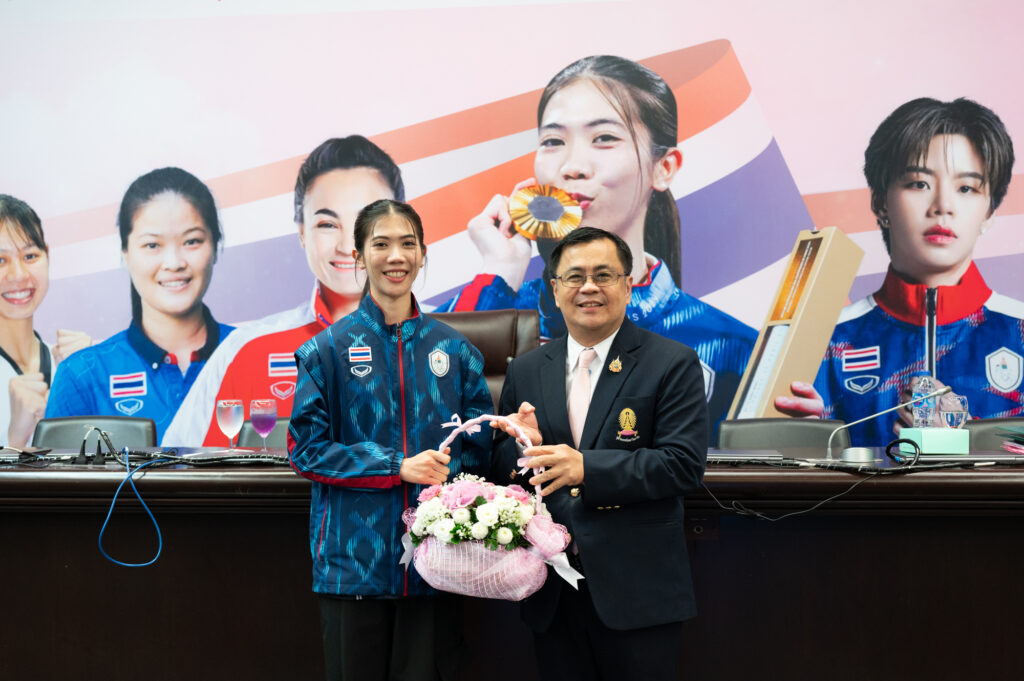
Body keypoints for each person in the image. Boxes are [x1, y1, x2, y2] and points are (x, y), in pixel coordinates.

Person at [440, 55, 754, 443]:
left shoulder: (733, 348)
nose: (572, 166)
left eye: (604, 138)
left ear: (664, 167)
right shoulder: (493, 306)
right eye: (553, 141)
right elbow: (433, 419)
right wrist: (499, 273)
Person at [288, 199, 493, 681]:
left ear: (423, 254)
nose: (395, 256)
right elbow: (306, 449)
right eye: (380, 244)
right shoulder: (326, 351)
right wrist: (394, 466)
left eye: (407, 243)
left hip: (437, 564)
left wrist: (516, 428)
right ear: (360, 256)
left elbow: (480, 446)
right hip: (353, 566)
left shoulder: (454, 350)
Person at [492, 226, 707, 681]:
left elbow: (682, 464)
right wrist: (520, 447)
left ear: (628, 285)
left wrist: (586, 467)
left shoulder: (672, 361)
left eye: (603, 275)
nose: (588, 287)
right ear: (554, 290)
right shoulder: (528, 369)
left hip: (637, 592)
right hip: (551, 591)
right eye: (574, 277)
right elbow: (502, 473)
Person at [774, 98, 1021, 446]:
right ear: (880, 203)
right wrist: (809, 441)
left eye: (966, 188)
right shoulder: (824, 343)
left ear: (990, 212)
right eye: (919, 184)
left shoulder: (1019, 332)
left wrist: (965, 439)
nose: (943, 207)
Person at [161, 136, 403, 446]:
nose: (347, 246)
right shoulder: (247, 349)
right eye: (327, 224)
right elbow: (177, 469)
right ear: (302, 233)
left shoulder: (439, 338)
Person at [46, 167, 233, 441]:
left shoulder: (251, 355)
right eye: (152, 245)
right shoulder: (82, 376)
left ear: (216, 245)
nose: (174, 262)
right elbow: (54, 485)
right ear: (125, 253)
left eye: (192, 241)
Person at [0, 195, 90, 447]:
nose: (18, 274)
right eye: (0, 260)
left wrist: (89, 382)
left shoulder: (68, 360)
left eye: (30, 256)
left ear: (47, 255)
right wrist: (15, 440)